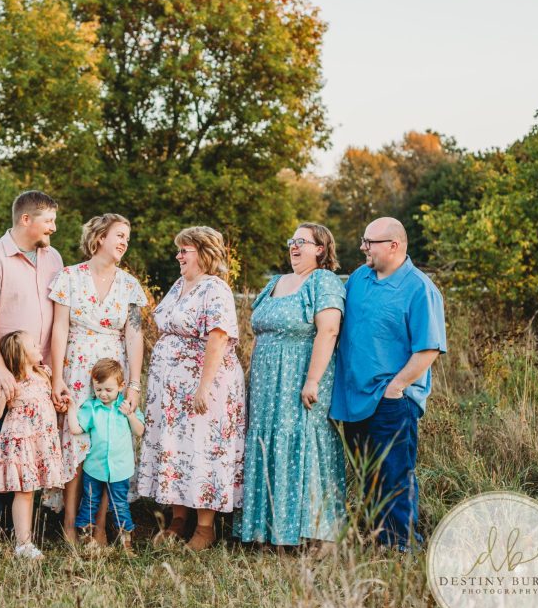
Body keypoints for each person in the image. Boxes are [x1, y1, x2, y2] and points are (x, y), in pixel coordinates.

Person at [330, 217, 447, 551]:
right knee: (368, 475)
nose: (363, 247)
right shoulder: (358, 279)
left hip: (392, 400)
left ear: (394, 246)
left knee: (395, 474)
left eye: (370, 242)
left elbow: (427, 349)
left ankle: (401, 544)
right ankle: (379, 536)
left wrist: (395, 388)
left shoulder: (419, 288)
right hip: (353, 398)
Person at [235, 223, 346, 548]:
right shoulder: (275, 282)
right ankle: (267, 530)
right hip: (266, 383)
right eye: (292, 241)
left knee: (302, 443)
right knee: (267, 443)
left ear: (321, 249)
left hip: (301, 377)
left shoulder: (323, 281)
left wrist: (312, 380)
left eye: (303, 242)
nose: (294, 247)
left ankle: (311, 533)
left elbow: (328, 331)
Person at [136, 226, 246, 551]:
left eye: (184, 250)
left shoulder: (215, 288)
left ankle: (205, 526)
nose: (178, 255)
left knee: (203, 449)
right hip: (171, 392)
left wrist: (204, 387)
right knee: (176, 448)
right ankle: (177, 517)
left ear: (203, 251)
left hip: (206, 383)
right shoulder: (180, 285)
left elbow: (218, 336)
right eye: (179, 250)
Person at [0, 191, 63, 544]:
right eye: (48, 220)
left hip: (38, 375)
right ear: (27, 220)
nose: (53, 227)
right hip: (0, 372)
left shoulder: (53, 258)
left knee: (28, 450)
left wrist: (52, 374)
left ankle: (18, 529)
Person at [48, 214, 147, 544]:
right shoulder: (69, 277)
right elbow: (59, 327)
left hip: (113, 369)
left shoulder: (129, 284)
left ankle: (100, 527)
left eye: (127, 238)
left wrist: (133, 384)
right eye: (119, 235)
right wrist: (57, 378)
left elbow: (134, 335)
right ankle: (70, 523)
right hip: (76, 367)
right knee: (77, 444)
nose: (124, 242)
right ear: (99, 237)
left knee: (108, 446)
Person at [0, 331, 67, 560]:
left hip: (41, 441)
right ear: (20, 354)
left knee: (32, 491)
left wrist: (61, 406)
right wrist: (2, 396)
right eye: (33, 344)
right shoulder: (10, 380)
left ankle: (27, 538)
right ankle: (23, 543)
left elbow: (49, 403)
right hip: (21, 443)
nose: (38, 344)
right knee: (24, 491)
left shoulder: (45, 373)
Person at [67, 358, 145, 555]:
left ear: (121, 386)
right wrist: (71, 408)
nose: (102, 394)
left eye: (108, 390)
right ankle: (87, 539)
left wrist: (130, 415)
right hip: (94, 467)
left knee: (120, 504)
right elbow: (76, 429)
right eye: (98, 389)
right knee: (90, 502)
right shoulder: (91, 408)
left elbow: (139, 431)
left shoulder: (126, 407)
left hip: (119, 468)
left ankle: (126, 543)